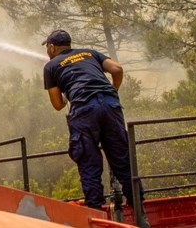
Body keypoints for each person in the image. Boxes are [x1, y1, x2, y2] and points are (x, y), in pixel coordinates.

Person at [41, 28, 136, 210]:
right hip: (110, 106)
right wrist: (112, 91)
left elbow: (58, 104)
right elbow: (117, 69)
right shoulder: (90, 53)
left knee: (88, 160)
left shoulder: (51, 67)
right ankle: (138, 205)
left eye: (47, 48)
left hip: (84, 110)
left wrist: (70, 89)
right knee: (122, 157)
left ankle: (95, 209)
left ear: (52, 47)